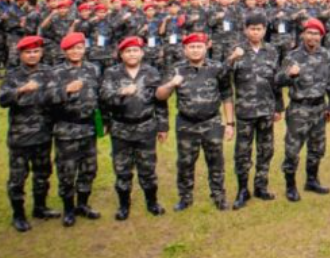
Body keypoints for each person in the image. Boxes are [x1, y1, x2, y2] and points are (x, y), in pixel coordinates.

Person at [156, 32, 233, 212]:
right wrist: (171, 84)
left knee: (216, 161)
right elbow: (160, 95)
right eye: (191, 47)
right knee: (185, 163)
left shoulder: (217, 67)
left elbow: (227, 94)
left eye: (199, 46)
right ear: (185, 50)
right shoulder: (176, 69)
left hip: (212, 122)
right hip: (186, 123)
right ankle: (185, 198)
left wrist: (230, 123)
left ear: (206, 48)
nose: (196, 50)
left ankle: (218, 196)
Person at [99, 36, 169, 220]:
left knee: (148, 169)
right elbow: (104, 98)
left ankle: (152, 202)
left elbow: (160, 102)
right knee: (122, 170)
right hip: (120, 129)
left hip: (146, 128)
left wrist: (163, 126)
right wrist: (121, 93)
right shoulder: (112, 73)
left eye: (135, 50)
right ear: (121, 54)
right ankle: (124, 205)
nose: (132, 54)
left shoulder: (151, 72)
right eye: (128, 51)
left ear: (142, 53)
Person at [0, 36, 59, 232]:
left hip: (43, 134)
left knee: (43, 173)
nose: (32, 55)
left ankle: (40, 207)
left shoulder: (49, 72)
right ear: (21, 54)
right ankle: (18, 215)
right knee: (18, 178)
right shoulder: (13, 75)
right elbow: (1, 100)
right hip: (20, 137)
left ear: (41, 53)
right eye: (28, 52)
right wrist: (21, 90)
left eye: (36, 51)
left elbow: (56, 97)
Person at [226, 13, 284, 209]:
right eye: (252, 29)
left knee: (265, 150)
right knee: (243, 152)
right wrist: (232, 59)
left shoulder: (271, 51)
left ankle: (261, 186)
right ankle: (243, 189)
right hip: (245, 111)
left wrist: (278, 106)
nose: (255, 32)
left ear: (264, 30)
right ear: (245, 30)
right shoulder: (236, 49)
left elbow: (276, 80)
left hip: (266, 109)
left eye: (259, 29)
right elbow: (221, 75)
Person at [277, 19, 330, 202]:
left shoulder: (325, 54)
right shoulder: (292, 56)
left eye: (316, 33)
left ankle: (312, 180)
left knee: (317, 148)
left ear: (321, 36)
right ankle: (290, 186)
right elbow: (277, 80)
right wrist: (289, 74)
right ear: (303, 34)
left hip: (319, 108)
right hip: (299, 109)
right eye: (309, 33)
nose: (312, 37)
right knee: (292, 150)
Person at [48, 32, 102, 226]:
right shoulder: (56, 72)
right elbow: (47, 99)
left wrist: (103, 121)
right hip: (66, 129)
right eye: (71, 49)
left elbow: (99, 96)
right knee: (67, 172)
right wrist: (65, 90)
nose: (76, 52)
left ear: (84, 49)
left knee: (89, 169)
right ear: (65, 51)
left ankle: (83, 205)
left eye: (79, 48)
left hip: (88, 127)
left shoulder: (93, 69)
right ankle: (69, 209)